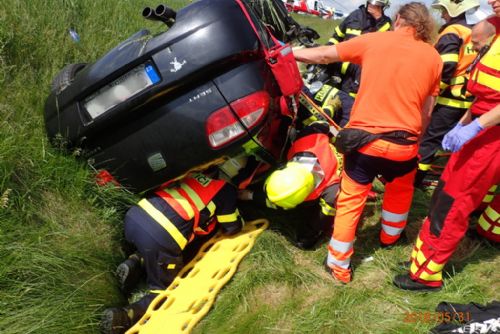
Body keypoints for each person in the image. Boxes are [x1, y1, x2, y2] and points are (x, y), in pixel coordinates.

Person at [293, 2, 442, 283]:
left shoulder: (375, 40)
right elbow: (427, 110)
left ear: (398, 19)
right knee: (400, 191)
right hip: (405, 145)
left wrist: (290, 55)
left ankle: (339, 266)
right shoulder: (433, 57)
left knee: (351, 200)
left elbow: (325, 54)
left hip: (365, 143)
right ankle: (389, 237)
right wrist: (416, 141)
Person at [393, 4, 500, 291]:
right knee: (444, 193)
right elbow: (483, 92)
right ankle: (423, 257)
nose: (492, 2)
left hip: (492, 135)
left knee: (455, 201)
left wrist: (476, 127)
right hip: (480, 124)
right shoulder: (494, 29)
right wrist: (464, 123)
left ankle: (427, 274)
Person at [100, 172, 243, 334]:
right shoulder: (225, 190)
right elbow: (232, 228)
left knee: (155, 250)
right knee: (165, 292)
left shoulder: (194, 174)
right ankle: (125, 317)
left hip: (135, 216)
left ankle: (135, 261)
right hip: (160, 238)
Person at [239, 120, 340, 249]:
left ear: (303, 200)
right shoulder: (306, 141)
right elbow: (321, 124)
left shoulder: (333, 193)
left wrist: (308, 236)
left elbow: (321, 219)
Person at [414, 0, 480, 188]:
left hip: (448, 100)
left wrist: (431, 95)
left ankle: (414, 180)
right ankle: (455, 182)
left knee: (428, 142)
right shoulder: (473, 31)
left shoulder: (452, 32)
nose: (442, 15)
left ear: (452, 10)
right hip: (468, 101)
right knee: (460, 145)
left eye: (443, 10)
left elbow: (446, 67)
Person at [325, 0, 392, 126]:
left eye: (377, 5)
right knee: (332, 101)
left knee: (351, 107)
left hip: (361, 76)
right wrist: (327, 54)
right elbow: (336, 37)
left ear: (383, 6)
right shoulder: (354, 16)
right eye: (372, 3)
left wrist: (378, 18)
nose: (373, 6)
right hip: (339, 72)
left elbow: (386, 46)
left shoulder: (386, 24)